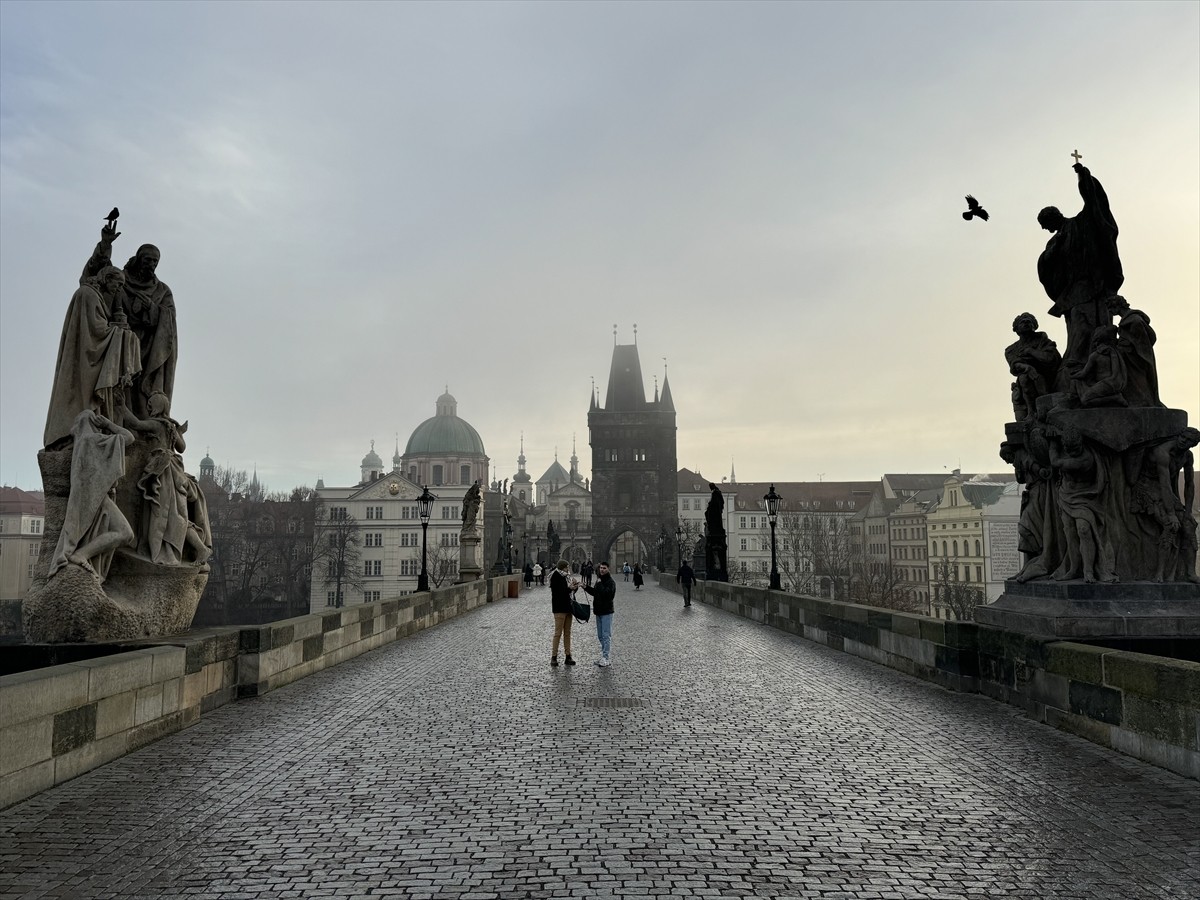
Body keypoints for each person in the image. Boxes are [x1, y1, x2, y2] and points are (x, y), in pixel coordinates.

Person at [82, 222, 177, 418]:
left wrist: (151, 309)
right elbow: (95, 278)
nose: (151, 265)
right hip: (119, 345)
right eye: (147, 260)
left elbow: (169, 321)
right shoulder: (120, 279)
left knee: (142, 393)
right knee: (117, 390)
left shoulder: (162, 291)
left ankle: (141, 429)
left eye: (155, 262)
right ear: (139, 259)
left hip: (149, 350)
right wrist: (105, 246)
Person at [44, 266, 142, 448]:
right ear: (106, 278)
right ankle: (72, 434)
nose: (118, 289)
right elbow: (97, 332)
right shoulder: (88, 294)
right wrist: (123, 334)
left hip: (86, 357)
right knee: (83, 399)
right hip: (85, 359)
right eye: (117, 283)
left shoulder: (93, 295)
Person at [1037, 162, 1123, 368]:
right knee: (1077, 321)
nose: (1048, 230)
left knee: (1097, 320)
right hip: (1073, 288)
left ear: (1054, 217)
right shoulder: (1054, 242)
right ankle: (1078, 359)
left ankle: (1089, 359)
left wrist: (1084, 178)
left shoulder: (1080, 223)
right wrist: (1052, 251)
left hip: (1093, 280)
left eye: (1048, 225)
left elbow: (1096, 204)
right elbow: (1045, 266)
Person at [48, 410, 137, 581]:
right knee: (125, 533)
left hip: (87, 498)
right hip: (96, 498)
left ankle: (81, 554)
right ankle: (81, 554)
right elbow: (129, 437)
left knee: (124, 533)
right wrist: (108, 425)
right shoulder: (94, 440)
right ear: (93, 422)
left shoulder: (80, 443)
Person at [1003, 312, 1062, 421]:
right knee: (1024, 378)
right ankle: (1031, 412)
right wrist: (1028, 368)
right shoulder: (1011, 349)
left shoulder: (1043, 340)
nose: (1026, 323)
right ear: (1016, 329)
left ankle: (1046, 409)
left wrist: (1030, 351)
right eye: (1022, 322)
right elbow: (1015, 365)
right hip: (1027, 380)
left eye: (1029, 321)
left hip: (1050, 375)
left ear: (1034, 326)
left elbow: (1051, 358)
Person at [583, 561, 616, 667]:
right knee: (600, 636)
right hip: (598, 611)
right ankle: (604, 656)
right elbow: (596, 593)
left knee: (606, 636)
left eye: (604, 568)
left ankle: (606, 658)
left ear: (608, 569)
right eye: (601, 568)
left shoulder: (610, 582)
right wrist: (586, 587)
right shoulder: (599, 581)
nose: (602, 569)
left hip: (606, 612)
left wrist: (600, 583)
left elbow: (608, 595)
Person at [549, 559, 577, 667]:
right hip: (559, 608)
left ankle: (568, 656)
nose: (568, 568)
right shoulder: (555, 576)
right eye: (566, 567)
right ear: (562, 567)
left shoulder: (566, 576)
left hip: (568, 608)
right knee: (558, 633)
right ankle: (554, 656)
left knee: (567, 633)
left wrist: (573, 587)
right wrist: (569, 588)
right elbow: (558, 593)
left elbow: (569, 593)